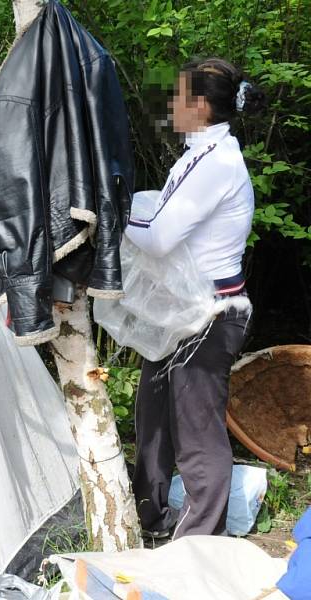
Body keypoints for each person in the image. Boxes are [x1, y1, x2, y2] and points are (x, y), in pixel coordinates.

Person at [125, 58, 267, 539]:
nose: (170, 106)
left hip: (210, 316)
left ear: (200, 106)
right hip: (180, 312)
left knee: (197, 433)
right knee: (153, 423)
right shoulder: (197, 156)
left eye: (178, 96)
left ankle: (199, 542)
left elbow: (161, 236)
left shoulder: (219, 163)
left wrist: (110, 213)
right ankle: (153, 522)